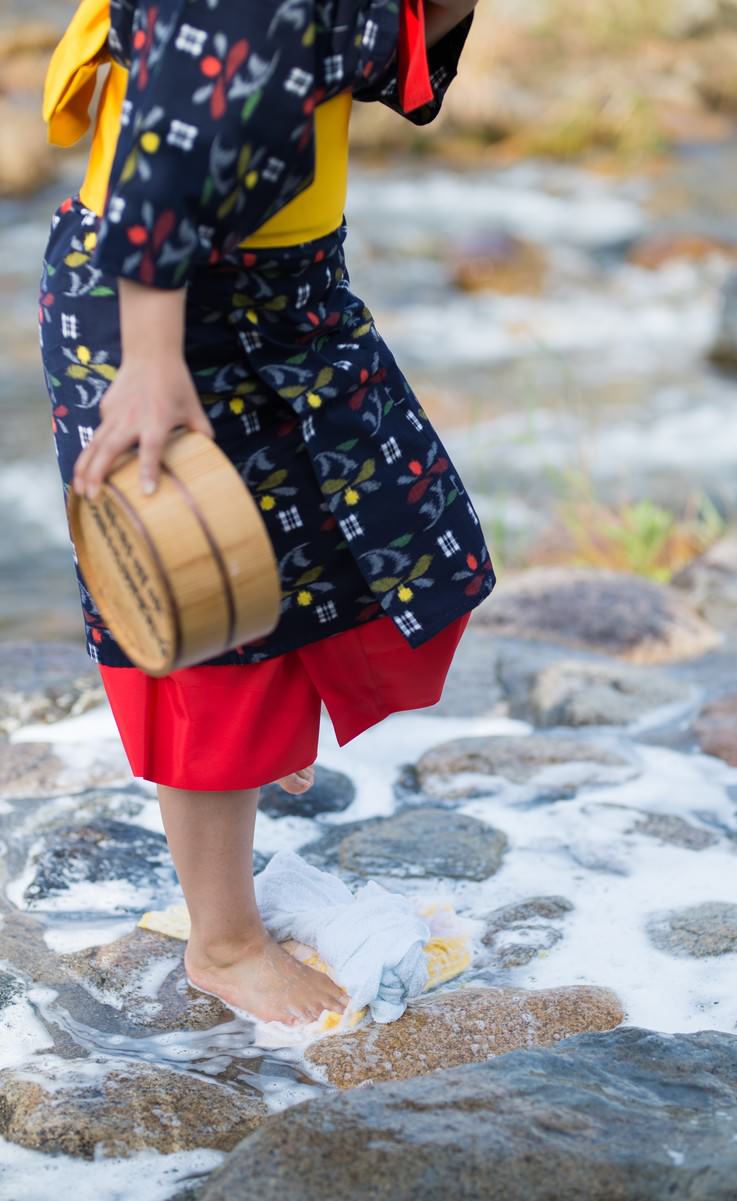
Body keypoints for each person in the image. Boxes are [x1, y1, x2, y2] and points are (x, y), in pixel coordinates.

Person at [39, 0, 494, 1026]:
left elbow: (377, 54)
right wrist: (149, 365)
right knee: (206, 632)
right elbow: (167, 133)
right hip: (163, 305)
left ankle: (265, 727)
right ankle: (225, 942)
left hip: (289, 291)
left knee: (393, 534)